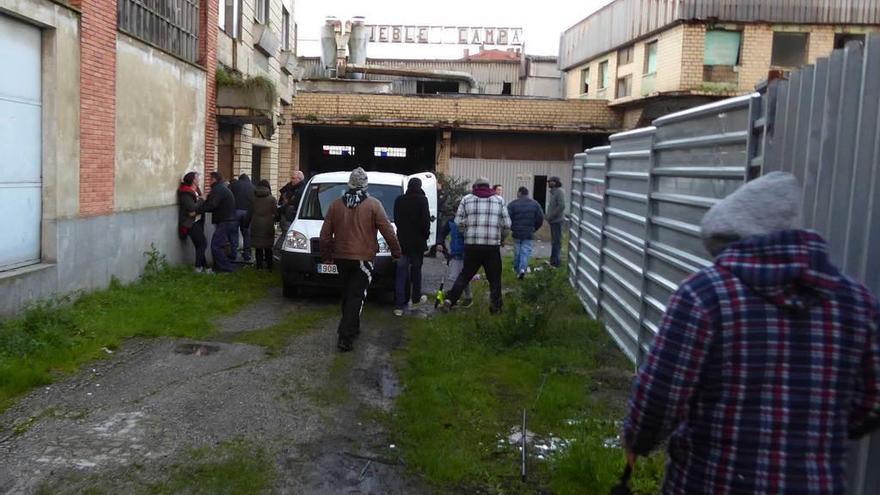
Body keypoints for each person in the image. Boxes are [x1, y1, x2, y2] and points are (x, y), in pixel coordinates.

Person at [623, 172, 880, 495]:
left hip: (713, 480)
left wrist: (638, 440)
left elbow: (661, 396)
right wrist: (814, 433)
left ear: (731, 239)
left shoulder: (705, 296)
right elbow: (872, 401)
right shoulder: (856, 302)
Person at [320, 167, 401, 352]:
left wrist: (327, 256)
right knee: (357, 296)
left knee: (348, 294)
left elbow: (325, 235)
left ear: (349, 184)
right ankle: (345, 336)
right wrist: (396, 252)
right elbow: (387, 230)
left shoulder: (335, 205)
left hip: (341, 257)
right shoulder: (374, 205)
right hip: (363, 259)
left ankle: (352, 328)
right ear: (366, 185)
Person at [442, 177, 511, 314]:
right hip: (492, 246)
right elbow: (507, 225)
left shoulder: (467, 199)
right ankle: (496, 308)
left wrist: (465, 233)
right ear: (489, 186)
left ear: (475, 187)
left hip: (472, 246)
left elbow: (458, 222)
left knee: (465, 274)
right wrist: (501, 238)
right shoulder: (499, 200)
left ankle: (450, 300)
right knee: (494, 278)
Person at [392, 177, 432, 316]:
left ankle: (398, 305)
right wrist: (425, 236)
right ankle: (415, 300)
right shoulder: (422, 200)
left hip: (402, 242)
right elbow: (425, 221)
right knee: (416, 271)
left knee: (401, 273)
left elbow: (396, 220)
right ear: (419, 186)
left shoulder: (399, 200)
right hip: (417, 243)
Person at [198, 171, 237, 273]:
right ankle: (220, 267)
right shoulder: (220, 188)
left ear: (214, 179)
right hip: (228, 220)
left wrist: (200, 205)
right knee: (220, 245)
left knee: (215, 245)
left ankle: (227, 268)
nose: (208, 181)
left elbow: (212, 205)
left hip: (225, 221)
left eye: (209, 179)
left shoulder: (218, 189)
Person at [437, 206, 472, 307]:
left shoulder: (469, 222)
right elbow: (442, 233)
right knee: (460, 277)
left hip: (467, 252)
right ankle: (466, 297)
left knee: (460, 277)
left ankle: (453, 299)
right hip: (456, 253)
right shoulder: (451, 222)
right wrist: (440, 243)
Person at [507, 186, 545, 280]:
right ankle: (522, 269)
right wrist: (534, 228)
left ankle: (517, 270)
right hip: (529, 232)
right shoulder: (535, 204)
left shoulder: (512, 204)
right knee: (525, 251)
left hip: (517, 232)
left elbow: (507, 218)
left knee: (518, 251)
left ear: (519, 193)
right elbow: (540, 218)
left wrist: (512, 228)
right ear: (527, 194)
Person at [177, 172, 208, 273]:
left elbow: (195, 210)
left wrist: (197, 210)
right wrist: (201, 200)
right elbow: (192, 208)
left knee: (200, 244)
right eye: (197, 177)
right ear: (193, 180)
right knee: (202, 244)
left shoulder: (196, 190)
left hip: (197, 220)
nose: (199, 179)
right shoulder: (186, 193)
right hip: (190, 223)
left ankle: (205, 267)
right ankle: (198, 268)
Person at [275, 170, 306, 254]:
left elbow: (293, 203)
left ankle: (280, 251)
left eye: (293, 178)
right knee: (287, 234)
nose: (291, 180)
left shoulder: (300, 190)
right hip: (286, 215)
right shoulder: (290, 188)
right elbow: (283, 201)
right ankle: (278, 251)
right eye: (291, 178)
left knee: (288, 234)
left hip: (290, 215)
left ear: (299, 179)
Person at [249, 179, 277, 271]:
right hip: (268, 225)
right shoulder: (272, 199)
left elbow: (250, 211)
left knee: (258, 247)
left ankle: (259, 267)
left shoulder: (253, 198)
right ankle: (269, 266)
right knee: (268, 247)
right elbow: (275, 213)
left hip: (256, 224)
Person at [229, 173, 255, 262]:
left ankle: (233, 253)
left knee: (233, 233)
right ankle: (247, 254)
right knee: (246, 234)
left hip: (235, 211)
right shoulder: (252, 187)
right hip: (247, 213)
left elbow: (228, 197)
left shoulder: (233, 185)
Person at [545, 176, 566, 267]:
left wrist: (551, 216)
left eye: (550, 182)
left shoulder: (559, 192)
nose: (548, 183)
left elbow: (561, 206)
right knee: (554, 242)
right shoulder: (553, 193)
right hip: (553, 221)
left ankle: (556, 263)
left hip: (557, 221)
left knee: (557, 242)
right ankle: (553, 261)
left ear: (555, 182)